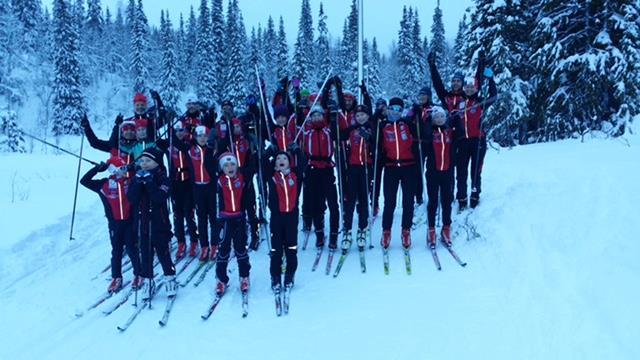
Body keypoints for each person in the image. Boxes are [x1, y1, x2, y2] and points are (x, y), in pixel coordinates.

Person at [80, 156, 143, 293]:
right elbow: (84, 181)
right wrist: (97, 169)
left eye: (124, 168)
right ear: (113, 170)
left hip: (129, 222)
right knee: (116, 251)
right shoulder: (104, 184)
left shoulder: (130, 182)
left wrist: (134, 168)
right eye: (120, 168)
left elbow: (140, 178)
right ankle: (116, 277)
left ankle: (138, 273)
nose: (123, 171)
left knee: (132, 249)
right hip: (114, 224)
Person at [127, 148, 177, 300]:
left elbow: (159, 197)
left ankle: (170, 278)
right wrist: (137, 183)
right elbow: (131, 198)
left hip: (159, 225)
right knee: (146, 255)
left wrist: (149, 183)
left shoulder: (163, 178)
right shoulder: (137, 177)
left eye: (148, 161)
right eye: (142, 161)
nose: (144, 164)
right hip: (142, 224)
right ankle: (148, 281)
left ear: (156, 162)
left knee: (163, 254)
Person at [451, 70, 497, 209]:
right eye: (467, 87)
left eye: (472, 87)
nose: (469, 89)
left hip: (478, 141)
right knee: (461, 171)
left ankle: (475, 195)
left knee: (476, 171)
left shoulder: (480, 101)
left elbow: (494, 97)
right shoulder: (459, 102)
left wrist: (490, 80)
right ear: (464, 88)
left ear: (476, 88)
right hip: (462, 141)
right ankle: (462, 197)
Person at [173, 125, 219, 261]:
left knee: (213, 218)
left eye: (205, 136)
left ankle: (214, 245)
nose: (203, 138)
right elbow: (176, 142)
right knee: (201, 218)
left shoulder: (212, 149)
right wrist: (171, 126)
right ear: (195, 137)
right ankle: (204, 246)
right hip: (197, 188)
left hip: (210, 188)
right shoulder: (190, 149)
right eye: (200, 136)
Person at [264, 144, 306, 292]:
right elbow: (263, 163)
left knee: (291, 247)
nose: (281, 160)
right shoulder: (272, 176)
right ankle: (275, 276)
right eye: (278, 158)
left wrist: (297, 151)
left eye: (284, 158)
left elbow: (303, 163)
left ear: (289, 162)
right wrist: (269, 152)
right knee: (276, 249)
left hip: (291, 217)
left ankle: (289, 274)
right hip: (276, 217)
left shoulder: (295, 175)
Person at [377, 97, 418, 250]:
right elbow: (376, 142)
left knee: (408, 201)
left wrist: (416, 116)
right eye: (393, 108)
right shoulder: (383, 126)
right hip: (391, 167)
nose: (395, 112)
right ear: (388, 109)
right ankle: (386, 231)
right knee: (390, 202)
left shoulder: (406, 124)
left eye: (399, 109)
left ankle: (406, 230)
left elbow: (423, 133)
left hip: (409, 167)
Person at [213, 152, 254, 296]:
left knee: (240, 248)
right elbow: (208, 164)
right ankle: (221, 279)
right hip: (224, 220)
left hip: (239, 218)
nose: (230, 167)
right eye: (226, 165)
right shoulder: (219, 180)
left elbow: (253, 165)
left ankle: (244, 276)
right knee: (223, 249)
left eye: (232, 164)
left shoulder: (242, 178)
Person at [301, 105, 340, 251]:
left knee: (333, 204)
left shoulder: (329, 130)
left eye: (319, 115)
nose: (317, 118)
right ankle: (319, 233)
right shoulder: (307, 133)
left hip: (327, 169)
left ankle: (334, 235)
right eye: (314, 116)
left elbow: (338, 125)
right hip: (312, 169)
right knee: (315, 204)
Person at [341, 104, 373, 251]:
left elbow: (377, 146)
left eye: (363, 115)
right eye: (358, 115)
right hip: (353, 168)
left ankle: (362, 229)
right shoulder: (351, 130)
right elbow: (338, 135)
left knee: (364, 200)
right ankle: (347, 230)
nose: (360, 117)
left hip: (366, 168)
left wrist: (369, 139)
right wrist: (335, 118)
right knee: (350, 200)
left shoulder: (371, 128)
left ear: (367, 116)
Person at [424, 107, 455, 248]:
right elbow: (422, 141)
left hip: (447, 171)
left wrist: (457, 119)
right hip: (433, 172)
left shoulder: (450, 132)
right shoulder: (430, 133)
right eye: (436, 117)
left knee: (447, 200)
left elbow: (460, 136)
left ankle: (446, 228)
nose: (439, 119)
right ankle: (431, 229)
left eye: (442, 117)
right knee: (433, 201)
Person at [169, 121, 199, 259]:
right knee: (177, 215)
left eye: (182, 130)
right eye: (177, 131)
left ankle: (194, 241)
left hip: (188, 183)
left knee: (189, 214)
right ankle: (181, 242)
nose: (180, 133)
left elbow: (181, 146)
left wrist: (172, 135)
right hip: (175, 183)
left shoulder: (190, 144)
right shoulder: (170, 145)